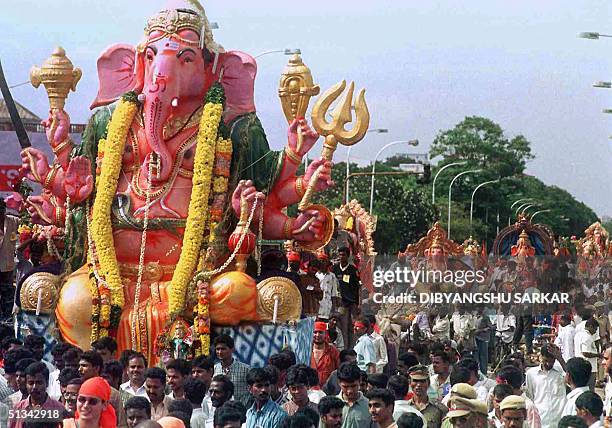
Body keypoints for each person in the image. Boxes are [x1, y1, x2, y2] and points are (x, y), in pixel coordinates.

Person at [9, 362, 65, 428]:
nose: (34, 387)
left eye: (39, 383)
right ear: (26, 384)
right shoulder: (18, 409)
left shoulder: (58, 408)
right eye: (31, 383)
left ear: (47, 383)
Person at [79, 350, 127, 427]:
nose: (79, 369)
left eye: (84, 366)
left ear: (96, 368)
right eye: (82, 400)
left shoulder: (112, 394)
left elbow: (122, 424)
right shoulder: (77, 389)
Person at [524, 345, 567, 428]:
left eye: (552, 361)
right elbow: (530, 396)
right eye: (546, 360)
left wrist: (560, 358)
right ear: (540, 357)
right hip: (541, 420)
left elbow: (571, 375)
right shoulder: (531, 374)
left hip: (559, 420)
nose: (548, 364)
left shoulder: (561, 371)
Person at [333, 247, 361, 348]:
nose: (341, 257)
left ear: (348, 256)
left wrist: (358, 304)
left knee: (353, 327)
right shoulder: (335, 268)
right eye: (340, 255)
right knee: (343, 327)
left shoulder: (353, 270)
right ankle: (345, 350)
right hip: (342, 304)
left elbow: (359, 288)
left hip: (352, 303)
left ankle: (354, 348)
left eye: (343, 255)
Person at [212, 335, 250, 405]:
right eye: (218, 349)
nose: (220, 352)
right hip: (220, 411)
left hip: (241, 411)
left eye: (223, 349)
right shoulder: (214, 369)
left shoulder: (246, 369)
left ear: (232, 349)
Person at [0, 199, 19, 321]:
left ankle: (7, 321)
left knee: (7, 294)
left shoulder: (12, 221)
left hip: (7, 265)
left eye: (2, 209)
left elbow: (27, 224)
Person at [336, 362, 371, 427]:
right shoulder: (331, 405)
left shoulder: (370, 407)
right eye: (345, 387)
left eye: (353, 386)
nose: (350, 391)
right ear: (339, 382)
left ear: (360, 380)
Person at [574, 318, 601, 391]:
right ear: (590, 326)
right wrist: (598, 355)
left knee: (581, 389)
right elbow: (585, 353)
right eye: (595, 329)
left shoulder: (578, 335)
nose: (595, 332)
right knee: (589, 389)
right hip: (589, 368)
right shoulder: (587, 337)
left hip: (580, 365)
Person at [311, 321, 340, 387]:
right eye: (315, 332)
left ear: (325, 334)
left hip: (329, 391)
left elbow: (339, 371)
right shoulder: (306, 351)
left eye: (320, 332)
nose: (317, 335)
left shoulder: (333, 351)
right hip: (310, 391)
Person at [190, 356, 214, 425]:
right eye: (193, 372)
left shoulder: (219, 392)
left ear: (210, 372)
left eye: (199, 371)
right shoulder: (192, 393)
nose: (195, 375)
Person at [316, 253, 340, 321]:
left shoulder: (332, 276)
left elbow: (334, 294)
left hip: (327, 308)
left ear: (327, 263)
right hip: (317, 309)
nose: (321, 263)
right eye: (320, 261)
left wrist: (333, 311)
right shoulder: (315, 275)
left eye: (323, 261)